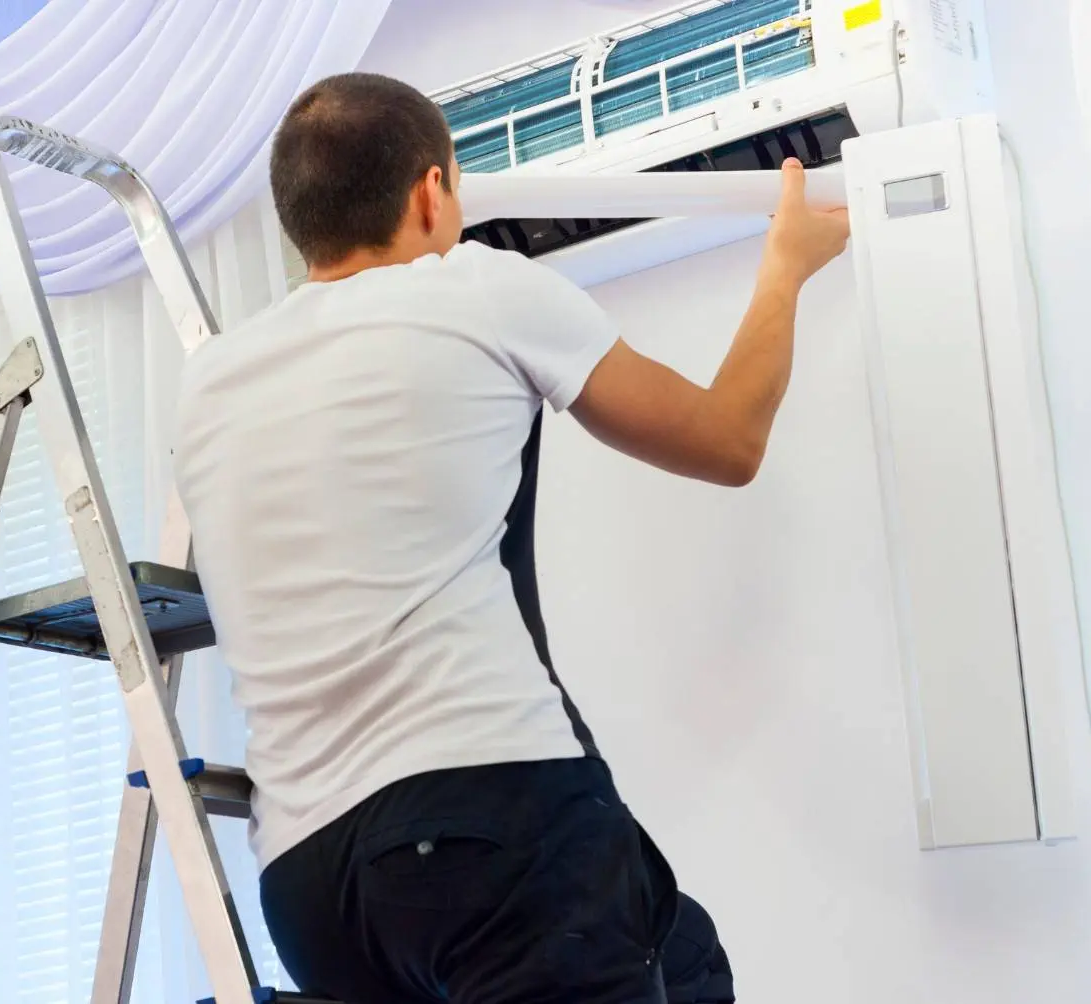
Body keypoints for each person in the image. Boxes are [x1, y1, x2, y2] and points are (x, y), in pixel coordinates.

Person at [173, 72, 850, 1004]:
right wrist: (786, 265)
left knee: (684, 959)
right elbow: (727, 441)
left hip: (313, 893)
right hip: (482, 826)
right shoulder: (481, 288)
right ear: (430, 193)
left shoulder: (210, 384)